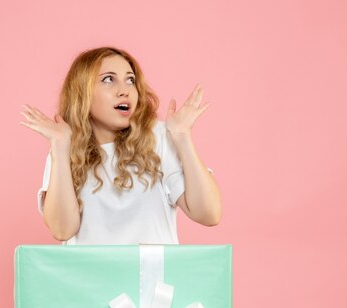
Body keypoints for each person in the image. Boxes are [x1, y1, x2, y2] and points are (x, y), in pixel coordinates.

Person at [19, 46, 221, 245]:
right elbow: (62, 229)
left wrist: (182, 137)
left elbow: (209, 214)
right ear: (83, 93)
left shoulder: (159, 137)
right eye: (108, 79)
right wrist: (60, 146)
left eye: (130, 80)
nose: (124, 91)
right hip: (89, 277)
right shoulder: (64, 148)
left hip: (151, 276)